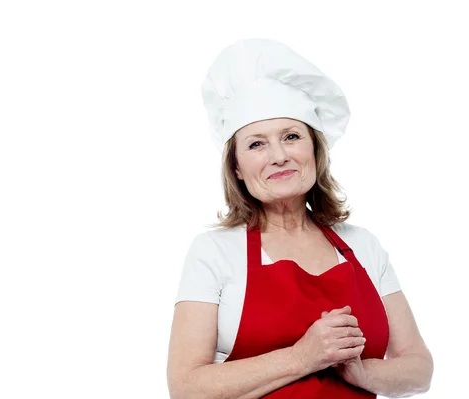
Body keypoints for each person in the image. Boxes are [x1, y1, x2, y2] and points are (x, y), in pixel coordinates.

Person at [166, 39, 433, 399]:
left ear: (314, 150)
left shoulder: (363, 245)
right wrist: (302, 358)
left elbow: (418, 367)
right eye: (256, 144)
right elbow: (186, 388)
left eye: (292, 136)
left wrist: (362, 372)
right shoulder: (213, 252)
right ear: (237, 168)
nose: (278, 156)